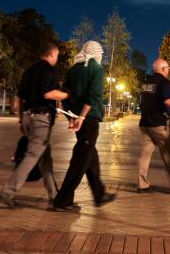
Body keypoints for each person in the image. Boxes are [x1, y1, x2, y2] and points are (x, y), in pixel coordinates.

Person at [0, 40, 67, 207]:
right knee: (32, 156)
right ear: (50, 54)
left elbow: (19, 98)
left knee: (44, 159)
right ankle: (8, 191)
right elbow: (48, 93)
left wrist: (21, 119)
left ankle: (54, 196)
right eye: (56, 55)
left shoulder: (29, 71)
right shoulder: (49, 69)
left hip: (29, 117)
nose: (57, 58)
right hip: (41, 119)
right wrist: (67, 95)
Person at [51, 41, 116, 212]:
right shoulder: (96, 68)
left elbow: (66, 96)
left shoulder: (73, 69)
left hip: (77, 118)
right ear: (97, 53)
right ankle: (62, 201)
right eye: (101, 53)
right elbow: (94, 96)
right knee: (80, 161)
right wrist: (81, 116)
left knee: (89, 155)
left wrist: (70, 117)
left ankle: (99, 194)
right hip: (88, 118)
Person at [137, 58, 170, 192]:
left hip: (145, 123)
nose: (169, 70)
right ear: (162, 69)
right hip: (158, 124)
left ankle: (142, 184)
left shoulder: (146, 82)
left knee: (145, 155)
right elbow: (168, 101)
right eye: (167, 68)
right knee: (168, 154)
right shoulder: (164, 82)